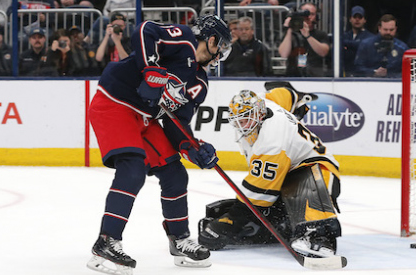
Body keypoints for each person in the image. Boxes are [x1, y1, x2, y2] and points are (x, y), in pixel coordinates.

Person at [86, 14, 232, 274]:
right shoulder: (184, 39)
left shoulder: (199, 83)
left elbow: (178, 123)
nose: (220, 53)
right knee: (132, 170)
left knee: (175, 174)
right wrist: (150, 69)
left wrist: (191, 147)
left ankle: (180, 240)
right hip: (115, 102)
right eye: (220, 45)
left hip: (146, 118)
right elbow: (145, 30)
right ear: (211, 39)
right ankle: (106, 242)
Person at [198, 83, 342, 259]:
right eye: (237, 120)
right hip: (286, 176)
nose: (241, 125)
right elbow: (284, 94)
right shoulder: (264, 102)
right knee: (274, 211)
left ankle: (320, 236)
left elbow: (260, 194)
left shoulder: (272, 140)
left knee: (299, 187)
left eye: (245, 119)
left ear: (258, 113)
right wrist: (297, 97)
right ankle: (281, 226)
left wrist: (232, 220)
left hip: (320, 172)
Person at [278, 2, 330, 77]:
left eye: (312, 14)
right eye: (305, 14)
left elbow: (323, 52)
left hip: (315, 75)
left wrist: (307, 36)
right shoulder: (292, 35)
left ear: (316, 16)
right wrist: (289, 29)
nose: (308, 17)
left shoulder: (321, 34)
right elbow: (283, 54)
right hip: (293, 75)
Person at [354, 14, 409, 78]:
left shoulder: (402, 48)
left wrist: (390, 75)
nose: (388, 32)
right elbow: (357, 68)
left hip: (394, 84)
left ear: (396, 29)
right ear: (379, 28)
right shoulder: (366, 45)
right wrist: (374, 72)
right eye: (385, 29)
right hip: (370, 83)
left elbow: (408, 71)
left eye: (391, 30)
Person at [343, 5, 374, 77]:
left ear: (364, 20)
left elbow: (361, 45)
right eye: (355, 17)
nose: (357, 20)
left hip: (363, 76)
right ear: (350, 19)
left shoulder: (370, 37)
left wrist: (345, 43)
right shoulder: (345, 36)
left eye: (360, 17)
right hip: (346, 75)